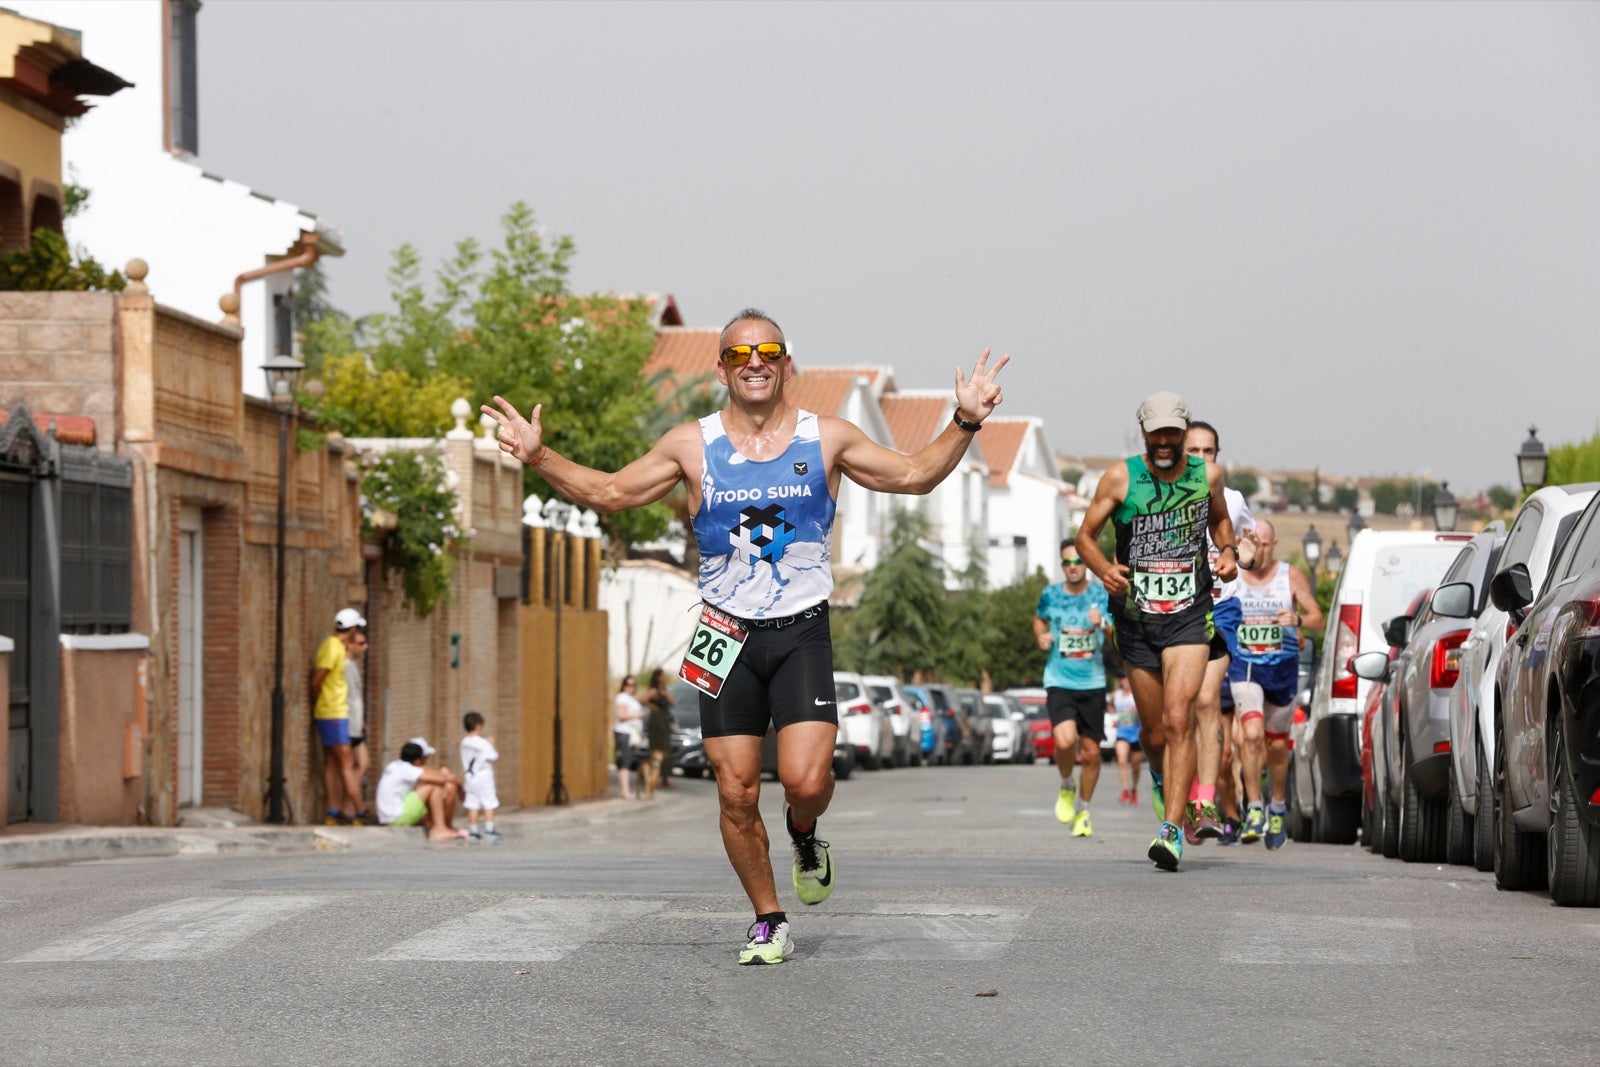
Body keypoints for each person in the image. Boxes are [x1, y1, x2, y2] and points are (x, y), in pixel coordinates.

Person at [483, 307, 1007, 964]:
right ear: (722, 368)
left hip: (801, 631)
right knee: (734, 790)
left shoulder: (827, 438)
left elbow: (912, 475)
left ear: (787, 364)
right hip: (723, 633)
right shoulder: (691, 445)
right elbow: (612, 492)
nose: (754, 362)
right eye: (739, 354)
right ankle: (768, 917)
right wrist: (539, 456)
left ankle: (804, 831)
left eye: (768, 352)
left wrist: (964, 421)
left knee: (805, 781)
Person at [1076, 390, 1239, 872]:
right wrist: (1104, 569)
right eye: (1156, 433)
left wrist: (1228, 552)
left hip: (1190, 613)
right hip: (1136, 618)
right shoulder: (1121, 477)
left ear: (1185, 431)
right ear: (1143, 432)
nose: (1165, 441)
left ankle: (1171, 831)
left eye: (1173, 432)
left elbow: (1220, 521)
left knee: (1178, 716)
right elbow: (1085, 536)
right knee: (1152, 732)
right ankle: (1160, 774)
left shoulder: (1207, 475)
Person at [1227, 518, 1324, 849]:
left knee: (1277, 745)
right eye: (1253, 543)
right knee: (1252, 734)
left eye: (1264, 544)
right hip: (1246, 665)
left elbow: (1317, 618)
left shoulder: (1290, 576)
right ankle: (1254, 806)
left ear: (1274, 545)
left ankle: (1278, 806)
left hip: (1282, 667)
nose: (1258, 550)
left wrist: (1297, 619)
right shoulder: (1234, 575)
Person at [1183, 420, 1256, 846]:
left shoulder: (1232, 498)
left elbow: (1246, 547)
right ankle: (1181, 792)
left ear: (1217, 456)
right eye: (1192, 450)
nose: (1200, 458)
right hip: (1176, 609)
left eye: (1207, 451)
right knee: (1175, 713)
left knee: (1207, 697)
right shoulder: (1163, 496)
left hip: (1221, 606)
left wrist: (1243, 555)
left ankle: (1205, 802)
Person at [1032, 539, 1113, 838]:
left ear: (1087, 564)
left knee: (1091, 753)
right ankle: (1067, 784)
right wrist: (1041, 636)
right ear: (1061, 565)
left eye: (1078, 561)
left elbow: (1116, 632)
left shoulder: (1100, 594)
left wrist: (1101, 622)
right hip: (1059, 680)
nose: (1073, 567)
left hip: (1093, 681)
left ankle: (1083, 809)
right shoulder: (1050, 594)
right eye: (1067, 562)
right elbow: (1039, 619)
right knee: (1065, 741)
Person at [309, 608, 375, 826]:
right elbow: (317, 679)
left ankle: (333, 810)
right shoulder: (332, 647)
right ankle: (359, 810)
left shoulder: (337, 647)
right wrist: (319, 701)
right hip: (334, 712)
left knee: (332, 761)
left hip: (334, 711)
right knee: (348, 762)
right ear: (352, 628)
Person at [375, 738, 467, 841]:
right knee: (433, 787)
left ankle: (439, 827)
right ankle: (439, 829)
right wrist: (447, 776)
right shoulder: (408, 769)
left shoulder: (394, 765)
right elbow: (440, 779)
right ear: (418, 761)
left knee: (431, 785)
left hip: (387, 817)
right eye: (424, 759)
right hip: (397, 817)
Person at [344, 627, 372, 818]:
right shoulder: (345, 666)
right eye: (361, 643)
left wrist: (361, 720)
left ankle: (350, 805)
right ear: (350, 644)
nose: (365, 647)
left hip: (355, 724)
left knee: (362, 764)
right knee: (353, 765)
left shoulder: (352, 666)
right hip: (347, 725)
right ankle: (352, 807)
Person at [460, 711, 500, 840]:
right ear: (478, 726)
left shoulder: (464, 742)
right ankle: (489, 829)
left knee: (472, 803)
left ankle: (473, 831)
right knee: (489, 802)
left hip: (470, 777)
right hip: (484, 777)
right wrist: (492, 744)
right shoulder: (483, 743)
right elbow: (494, 757)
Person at [641, 667, 676, 799]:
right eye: (663, 675)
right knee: (656, 749)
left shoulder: (665, 691)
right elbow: (642, 700)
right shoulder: (654, 691)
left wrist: (666, 695)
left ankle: (665, 778)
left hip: (665, 723)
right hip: (656, 723)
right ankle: (652, 778)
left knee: (666, 750)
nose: (665, 677)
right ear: (657, 677)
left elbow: (673, 704)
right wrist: (652, 706)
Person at [612, 676, 647, 800]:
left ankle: (624, 790)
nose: (631, 687)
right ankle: (625, 791)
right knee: (624, 761)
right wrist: (638, 715)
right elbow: (621, 716)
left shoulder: (631, 698)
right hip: (624, 732)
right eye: (628, 684)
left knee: (627, 760)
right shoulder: (622, 697)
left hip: (631, 733)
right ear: (624, 685)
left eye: (633, 684)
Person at [1111, 675, 1143, 804]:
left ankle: (1134, 788)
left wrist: (1137, 710)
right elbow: (1110, 707)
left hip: (1136, 732)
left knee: (1136, 764)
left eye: (1128, 679)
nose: (1126, 682)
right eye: (1123, 679)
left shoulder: (1137, 694)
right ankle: (1125, 789)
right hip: (1122, 732)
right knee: (1122, 759)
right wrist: (1114, 717)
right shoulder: (1116, 695)